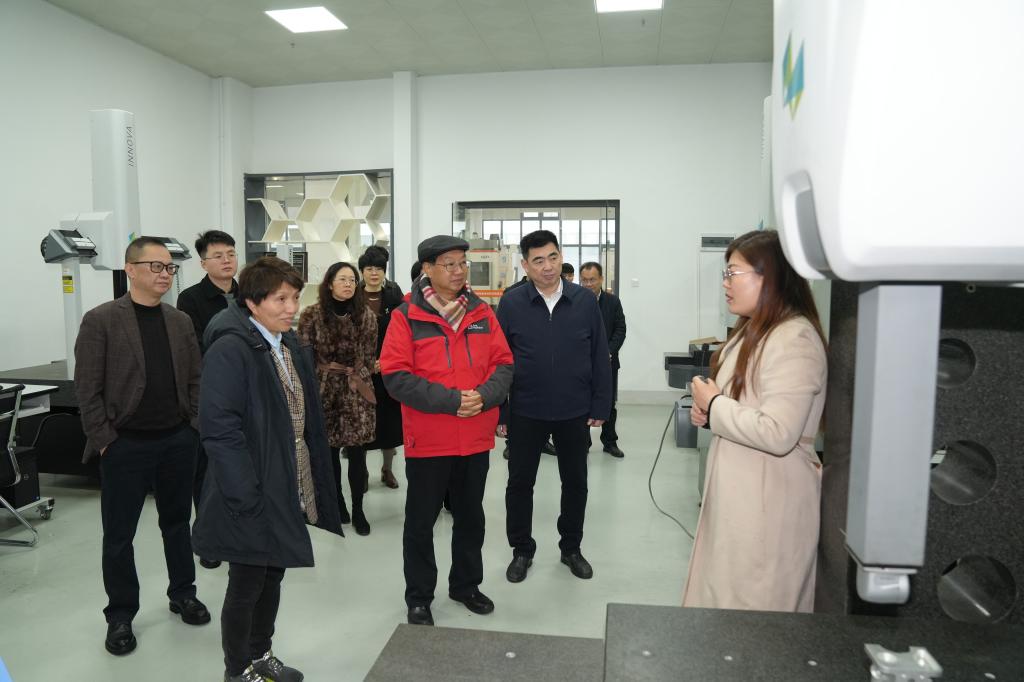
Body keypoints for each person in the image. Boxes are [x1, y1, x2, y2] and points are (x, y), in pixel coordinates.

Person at [193, 256, 343, 682]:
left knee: (272, 574)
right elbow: (220, 430)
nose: (291, 307)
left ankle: (261, 653)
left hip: (284, 480)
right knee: (246, 583)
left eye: (295, 297)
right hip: (249, 488)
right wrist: (244, 494)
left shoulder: (284, 342)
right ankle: (237, 670)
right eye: (280, 299)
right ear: (252, 302)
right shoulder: (231, 348)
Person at [74, 236, 209, 656]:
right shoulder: (101, 320)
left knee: (177, 523)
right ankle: (120, 614)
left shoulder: (179, 321)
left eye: (170, 268)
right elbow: (87, 389)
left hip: (177, 440)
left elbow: (196, 379)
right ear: (130, 270)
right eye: (156, 266)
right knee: (119, 535)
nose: (165, 274)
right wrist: (105, 441)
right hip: (125, 445)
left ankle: (183, 593)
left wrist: (193, 426)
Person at [683, 230, 827, 613]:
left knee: (758, 614)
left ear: (770, 276)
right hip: (742, 493)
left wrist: (715, 406)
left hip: (769, 501)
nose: (725, 283)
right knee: (728, 605)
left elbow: (778, 432)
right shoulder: (752, 331)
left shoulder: (794, 339)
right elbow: (745, 405)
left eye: (733, 273)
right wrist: (710, 414)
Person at [381, 235, 513, 627]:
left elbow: (504, 363)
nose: (458, 271)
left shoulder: (482, 313)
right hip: (429, 439)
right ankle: (419, 597)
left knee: (471, 518)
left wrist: (484, 396)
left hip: (474, 437)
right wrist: (452, 400)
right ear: (427, 268)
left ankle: (466, 586)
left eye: (462, 263)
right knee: (420, 523)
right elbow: (396, 376)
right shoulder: (405, 316)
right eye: (449, 264)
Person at [497, 230, 612, 584]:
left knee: (575, 482)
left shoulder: (584, 301)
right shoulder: (512, 303)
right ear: (525, 265)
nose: (547, 266)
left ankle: (571, 548)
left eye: (552, 257)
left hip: (573, 409)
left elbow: (599, 354)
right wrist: (501, 411)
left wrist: (601, 404)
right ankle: (522, 550)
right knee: (520, 483)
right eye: (538, 260)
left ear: (561, 257)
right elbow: (499, 361)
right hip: (525, 409)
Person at [297, 263, 378, 536]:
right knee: (329, 451)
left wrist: (359, 372)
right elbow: (304, 356)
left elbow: (369, 354)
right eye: (342, 279)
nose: (348, 284)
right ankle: (338, 503)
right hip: (325, 388)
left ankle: (358, 509)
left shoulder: (366, 316)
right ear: (329, 283)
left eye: (352, 280)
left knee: (357, 452)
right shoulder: (311, 315)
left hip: (356, 387)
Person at [177, 229, 240, 570]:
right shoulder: (191, 299)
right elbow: (198, 348)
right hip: (211, 395)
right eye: (218, 256)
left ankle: (239, 532)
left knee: (242, 467)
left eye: (231, 253)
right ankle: (209, 539)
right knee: (207, 471)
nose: (227, 260)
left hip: (247, 394)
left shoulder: (250, 294)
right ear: (203, 263)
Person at [358, 246, 405, 490]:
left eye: (379, 268)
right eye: (369, 269)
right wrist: (366, 363)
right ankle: (362, 471)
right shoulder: (354, 297)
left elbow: (401, 332)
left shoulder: (394, 295)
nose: (374, 273)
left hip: (388, 368)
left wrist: (385, 360)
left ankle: (387, 469)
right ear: (362, 272)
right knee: (363, 422)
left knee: (389, 424)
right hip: (360, 371)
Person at [580, 262, 627, 458]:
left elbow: (620, 329)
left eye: (592, 280)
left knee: (608, 403)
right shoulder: (576, 301)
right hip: (582, 363)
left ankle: (610, 442)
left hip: (608, 362)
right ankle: (583, 442)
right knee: (582, 402)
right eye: (584, 280)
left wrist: (607, 351)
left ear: (601, 279)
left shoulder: (613, 302)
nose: (588, 284)